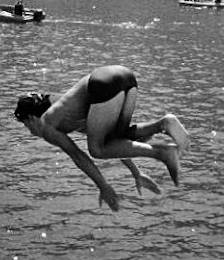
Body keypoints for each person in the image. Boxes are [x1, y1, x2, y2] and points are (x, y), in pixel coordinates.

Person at [14, 65, 190, 211]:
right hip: (125, 76)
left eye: (26, 125)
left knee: (96, 150)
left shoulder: (47, 124)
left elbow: (78, 156)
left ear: (31, 118)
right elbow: (116, 144)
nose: (30, 131)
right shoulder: (67, 112)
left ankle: (163, 153)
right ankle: (163, 124)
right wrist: (136, 173)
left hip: (102, 83)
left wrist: (103, 186)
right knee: (116, 137)